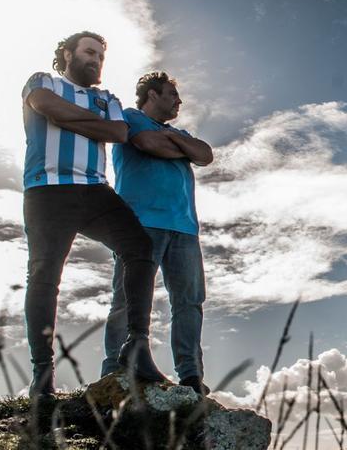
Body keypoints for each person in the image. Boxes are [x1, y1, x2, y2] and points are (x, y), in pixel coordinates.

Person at [22, 31, 166, 397]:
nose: (96, 60)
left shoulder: (107, 98)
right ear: (67, 54)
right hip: (48, 188)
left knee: (139, 248)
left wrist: (67, 120)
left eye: (101, 55)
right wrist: (86, 122)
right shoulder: (43, 81)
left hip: (95, 190)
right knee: (44, 275)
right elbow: (45, 105)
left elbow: (117, 132)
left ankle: (137, 346)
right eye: (89, 52)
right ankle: (42, 374)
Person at [101, 71, 213, 394]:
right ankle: (115, 368)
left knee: (190, 301)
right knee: (127, 298)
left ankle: (191, 376)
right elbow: (147, 143)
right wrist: (181, 148)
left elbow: (205, 154)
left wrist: (175, 141)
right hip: (139, 223)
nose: (179, 101)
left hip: (184, 228)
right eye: (171, 95)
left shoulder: (179, 132)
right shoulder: (130, 118)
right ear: (152, 95)